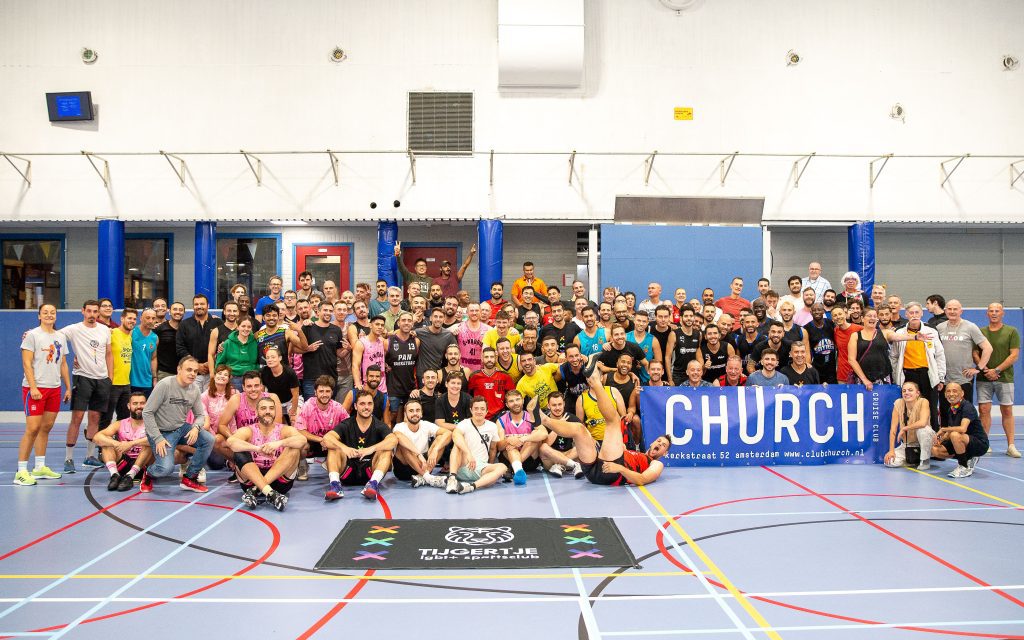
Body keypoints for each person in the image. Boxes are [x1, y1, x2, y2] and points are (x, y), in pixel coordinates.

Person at [537, 371, 671, 486]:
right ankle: (545, 420)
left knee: (613, 421)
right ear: (652, 442)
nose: (659, 443)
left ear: (665, 453)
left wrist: (620, 469)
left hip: (612, 474)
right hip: (592, 471)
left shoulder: (656, 464)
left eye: (663, 445)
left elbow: (642, 480)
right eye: (659, 440)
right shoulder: (636, 453)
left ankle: (596, 383)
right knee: (579, 429)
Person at [16, 303, 71, 486]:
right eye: (45, 312)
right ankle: (21, 471)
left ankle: (39, 467)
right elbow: (26, 363)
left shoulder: (60, 337)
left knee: (46, 427)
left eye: (52, 312)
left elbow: (63, 363)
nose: (49, 315)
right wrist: (33, 387)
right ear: (39, 316)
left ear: (56, 315)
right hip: (35, 388)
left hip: (54, 388)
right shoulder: (32, 335)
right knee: (32, 429)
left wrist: (68, 387)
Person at [141, 356, 213, 492]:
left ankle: (189, 478)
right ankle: (148, 472)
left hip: (180, 428)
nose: (192, 374)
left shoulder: (195, 389)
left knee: (208, 440)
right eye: (189, 370)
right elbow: (147, 412)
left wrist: (196, 428)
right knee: (165, 469)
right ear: (179, 370)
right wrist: (158, 438)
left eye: (195, 371)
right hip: (161, 432)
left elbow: (199, 416)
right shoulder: (165, 384)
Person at [62, 300, 113, 473]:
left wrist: (109, 377)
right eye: (89, 311)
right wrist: (30, 333)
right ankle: (68, 458)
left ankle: (89, 457)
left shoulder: (105, 330)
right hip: (82, 378)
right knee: (76, 419)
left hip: (102, 380)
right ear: (83, 311)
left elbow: (108, 354)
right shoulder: (74, 329)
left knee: (94, 419)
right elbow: (52, 335)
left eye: (95, 311)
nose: (92, 314)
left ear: (98, 313)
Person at [227, 396, 304, 510]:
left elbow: (302, 440)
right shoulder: (249, 430)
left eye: (271, 408)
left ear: (275, 411)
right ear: (257, 412)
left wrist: (279, 443)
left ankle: (256, 490)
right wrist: (258, 449)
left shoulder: (284, 429)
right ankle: (270, 494)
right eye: (263, 408)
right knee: (239, 450)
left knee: (294, 448)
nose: (268, 411)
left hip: (279, 481)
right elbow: (231, 442)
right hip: (252, 477)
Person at [322, 390, 397, 501]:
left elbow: (393, 440)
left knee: (386, 450)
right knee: (334, 448)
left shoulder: (379, 425)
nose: (366, 407)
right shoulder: (346, 424)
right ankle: (335, 485)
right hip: (348, 470)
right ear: (356, 406)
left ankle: (373, 484)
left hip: (369, 472)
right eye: (362, 404)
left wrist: (371, 449)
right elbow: (327, 438)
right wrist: (344, 448)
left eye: (369, 404)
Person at [890, 302, 946, 429]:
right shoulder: (900, 332)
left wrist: (941, 377)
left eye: (916, 312)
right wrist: (896, 377)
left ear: (921, 313)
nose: (914, 315)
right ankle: (909, 441)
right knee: (908, 409)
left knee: (931, 407)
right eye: (911, 312)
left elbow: (940, 355)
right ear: (906, 314)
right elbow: (894, 356)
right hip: (907, 376)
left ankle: (934, 441)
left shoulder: (931, 330)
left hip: (927, 375)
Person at [936, 300, 992, 417]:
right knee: (945, 413)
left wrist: (979, 368)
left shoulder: (970, 327)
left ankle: (965, 436)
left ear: (961, 311)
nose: (952, 312)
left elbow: (987, 348)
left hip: (964, 379)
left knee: (965, 415)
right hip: (944, 379)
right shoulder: (939, 328)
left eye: (955, 309)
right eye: (949, 309)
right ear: (945, 311)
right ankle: (947, 435)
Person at [978, 302, 1020, 457]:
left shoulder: (1011, 331)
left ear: (1003, 313)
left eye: (997, 311)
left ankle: (1011, 446)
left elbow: (1014, 355)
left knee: (1007, 410)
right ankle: (984, 444)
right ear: (987, 314)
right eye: (991, 311)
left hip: (1005, 378)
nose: (994, 313)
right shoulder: (980, 332)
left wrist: (996, 370)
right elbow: (976, 353)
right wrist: (985, 369)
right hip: (984, 378)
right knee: (983, 410)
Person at [444, 396, 510, 494]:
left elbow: (493, 449)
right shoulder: (464, 423)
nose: (479, 411)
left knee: (502, 467)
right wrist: (469, 455)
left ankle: (471, 487)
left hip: (480, 468)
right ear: (471, 410)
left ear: (487, 411)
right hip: (462, 464)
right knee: (457, 446)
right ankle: (452, 478)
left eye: (482, 409)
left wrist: (490, 467)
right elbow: (455, 435)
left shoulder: (492, 426)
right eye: (476, 408)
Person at [93, 391, 153, 491]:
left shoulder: (153, 423)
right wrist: (116, 443)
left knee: (150, 442)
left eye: (142, 403)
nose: (139, 406)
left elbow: (156, 440)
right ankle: (114, 475)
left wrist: (131, 444)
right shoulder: (120, 423)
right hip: (123, 463)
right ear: (129, 406)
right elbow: (97, 437)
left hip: (144, 465)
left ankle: (130, 476)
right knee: (106, 442)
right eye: (135, 403)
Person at [294, 375, 349, 481]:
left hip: (331, 444)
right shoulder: (308, 405)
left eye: (327, 391)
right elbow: (300, 430)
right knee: (300, 444)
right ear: (315, 392)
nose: (324, 395)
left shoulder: (338, 407)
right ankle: (302, 466)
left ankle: (331, 461)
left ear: (332, 392)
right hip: (313, 442)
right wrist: (321, 439)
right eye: (321, 391)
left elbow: (349, 427)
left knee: (346, 442)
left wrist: (332, 441)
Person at [933, 382, 989, 478]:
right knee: (935, 450)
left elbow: (962, 429)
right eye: (948, 391)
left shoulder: (967, 407)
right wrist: (940, 440)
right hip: (962, 441)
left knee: (955, 435)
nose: (951, 394)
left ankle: (963, 466)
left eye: (954, 391)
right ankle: (969, 458)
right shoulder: (951, 409)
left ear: (962, 393)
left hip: (979, 443)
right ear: (945, 394)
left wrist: (943, 429)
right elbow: (951, 429)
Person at [883, 381, 935, 470]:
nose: (906, 393)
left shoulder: (923, 401)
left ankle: (925, 460)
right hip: (908, 445)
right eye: (904, 391)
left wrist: (905, 428)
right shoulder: (898, 403)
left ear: (917, 393)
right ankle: (913, 459)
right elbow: (893, 429)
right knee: (890, 462)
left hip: (925, 441)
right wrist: (891, 450)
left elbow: (923, 423)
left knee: (923, 430)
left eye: (910, 390)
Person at [175, 294, 223, 389]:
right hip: (192, 374)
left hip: (213, 374)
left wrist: (210, 363)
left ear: (208, 305)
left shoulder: (218, 323)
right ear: (193, 306)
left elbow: (223, 346)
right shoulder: (184, 324)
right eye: (196, 304)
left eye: (202, 304)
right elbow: (180, 348)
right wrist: (196, 365)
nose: (199, 306)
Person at [299, 301, 344, 400]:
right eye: (325, 310)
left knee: (329, 411)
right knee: (310, 410)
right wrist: (307, 349)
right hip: (311, 378)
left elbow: (339, 353)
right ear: (318, 312)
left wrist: (349, 349)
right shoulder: (307, 327)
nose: (328, 313)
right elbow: (295, 349)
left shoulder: (337, 330)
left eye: (330, 311)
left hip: (331, 377)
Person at [201, 365, 235, 472]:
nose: (222, 376)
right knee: (216, 465)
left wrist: (234, 437)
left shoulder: (235, 394)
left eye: (225, 375)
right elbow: (204, 419)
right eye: (219, 373)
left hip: (231, 433)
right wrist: (213, 436)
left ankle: (234, 460)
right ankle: (231, 460)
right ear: (214, 376)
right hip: (213, 436)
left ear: (229, 379)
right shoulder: (204, 396)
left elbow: (238, 418)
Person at [259, 345, 300, 424]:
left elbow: (296, 395)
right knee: (277, 425)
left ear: (280, 358)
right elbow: (262, 391)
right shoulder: (264, 371)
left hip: (291, 401)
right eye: (268, 358)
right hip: (275, 402)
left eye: (273, 357)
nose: (270, 360)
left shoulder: (289, 372)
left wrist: (293, 411)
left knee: (296, 421)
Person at [215, 317, 258, 390]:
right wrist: (226, 376)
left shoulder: (255, 342)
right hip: (233, 380)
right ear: (238, 327)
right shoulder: (227, 343)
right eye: (243, 326)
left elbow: (259, 361)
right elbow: (219, 364)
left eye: (249, 327)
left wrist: (256, 371)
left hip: (251, 379)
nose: (246, 329)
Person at [352, 316, 388, 395]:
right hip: (366, 387)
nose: (380, 327)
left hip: (382, 387)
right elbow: (355, 365)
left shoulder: (383, 341)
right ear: (370, 325)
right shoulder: (361, 343)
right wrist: (357, 384)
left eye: (382, 325)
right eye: (377, 324)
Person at [666, 306, 701, 385]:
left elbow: (698, 354)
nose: (689, 318)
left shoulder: (698, 334)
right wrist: (670, 379)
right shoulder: (674, 334)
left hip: (693, 374)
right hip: (677, 375)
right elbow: (667, 357)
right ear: (681, 318)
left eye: (691, 316)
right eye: (686, 316)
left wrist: (700, 370)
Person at [804, 302, 837, 383]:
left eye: (819, 309)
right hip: (817, 367)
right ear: (811, 312)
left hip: (832, 367)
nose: (817, 312)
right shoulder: (806, 328)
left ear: (823, 311)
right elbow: (806, 350)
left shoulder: (831, 323)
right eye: (814, 310)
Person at [154, 302, 185, 382]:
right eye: (175, 309)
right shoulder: (160, 329)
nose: (178, 312)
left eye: (181, 310)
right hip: (164, 373)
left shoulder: (187, 328)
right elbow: (153, 354)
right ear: (169, 312)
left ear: (184, 313)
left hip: (182, 372)